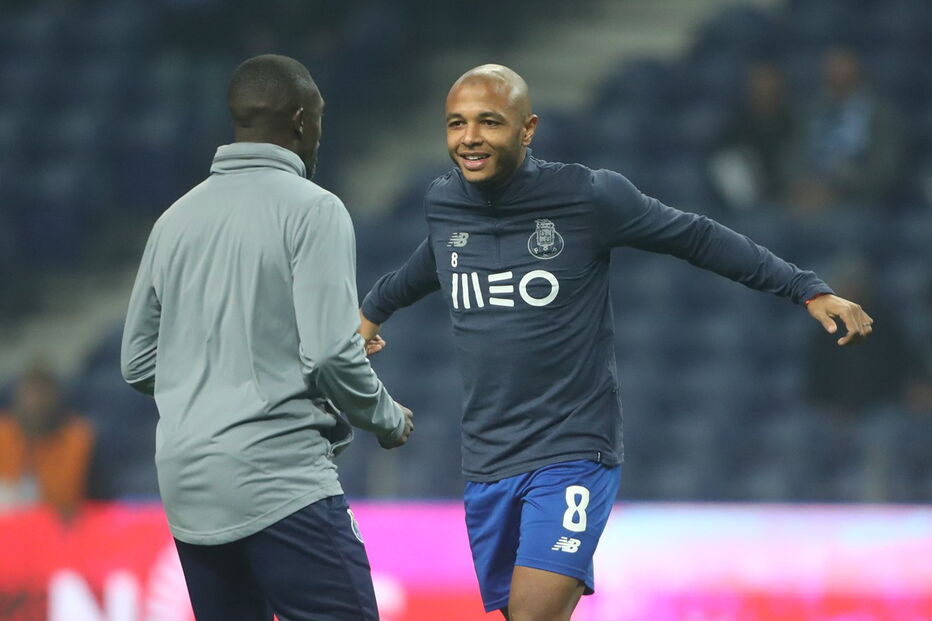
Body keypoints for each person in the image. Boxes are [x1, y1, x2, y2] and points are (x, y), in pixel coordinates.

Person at [358, 64, 873, 621]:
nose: (470, 137)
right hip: (487, 461)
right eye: (456, 123)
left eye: (489, 122)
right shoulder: (444, 203)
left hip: (571, 449)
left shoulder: (588, 196)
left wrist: (805, 288)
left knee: (531, 616)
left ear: (528, 129)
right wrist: (371, 313)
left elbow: (696, 236)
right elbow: (431, 261)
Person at [121, 54, 414, 621]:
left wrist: (224, 369)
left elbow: (137, 362)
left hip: (190, 489)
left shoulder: (173, 221)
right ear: (301, 119)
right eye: (320, 117)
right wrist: (387, 418)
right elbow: (329, 354)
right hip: (279, 480)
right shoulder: (314, 209)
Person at [787, 46, 901, 214]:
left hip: (856, 199)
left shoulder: (879, 114)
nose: (838, 74)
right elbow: (791, 156)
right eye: (833, 69)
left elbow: (885, 169)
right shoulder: (810, 111)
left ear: (858, 72)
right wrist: (802, 184)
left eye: (843, 68)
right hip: (809, 194)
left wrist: (840, 188)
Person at [0, 364, 94, 520]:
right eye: (30, 394)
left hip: (59, 524)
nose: (35, 403)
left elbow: (71, 499)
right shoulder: (3, 432)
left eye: (42, 394)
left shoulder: (78, 438)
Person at [708, 61, 796, 209]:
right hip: (751, 201)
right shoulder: (733, 129)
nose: (764, 90)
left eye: (769, 84)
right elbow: (726, 169)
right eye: (758, 84)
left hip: (790, 195)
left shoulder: (793, 123)